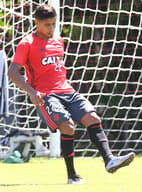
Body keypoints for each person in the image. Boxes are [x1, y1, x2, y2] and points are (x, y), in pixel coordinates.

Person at [8, 4, 135, 184]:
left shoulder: (58, 40)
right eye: (47, 25)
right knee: (67, 125)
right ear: (37, 23)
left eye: (54, 24)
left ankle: (109, 160)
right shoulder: (26, 43)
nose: (51, 28)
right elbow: (12, 72)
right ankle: (72, 176)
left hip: (67, 91)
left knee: (93, 118)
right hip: (45, 96)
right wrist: (31, 91)